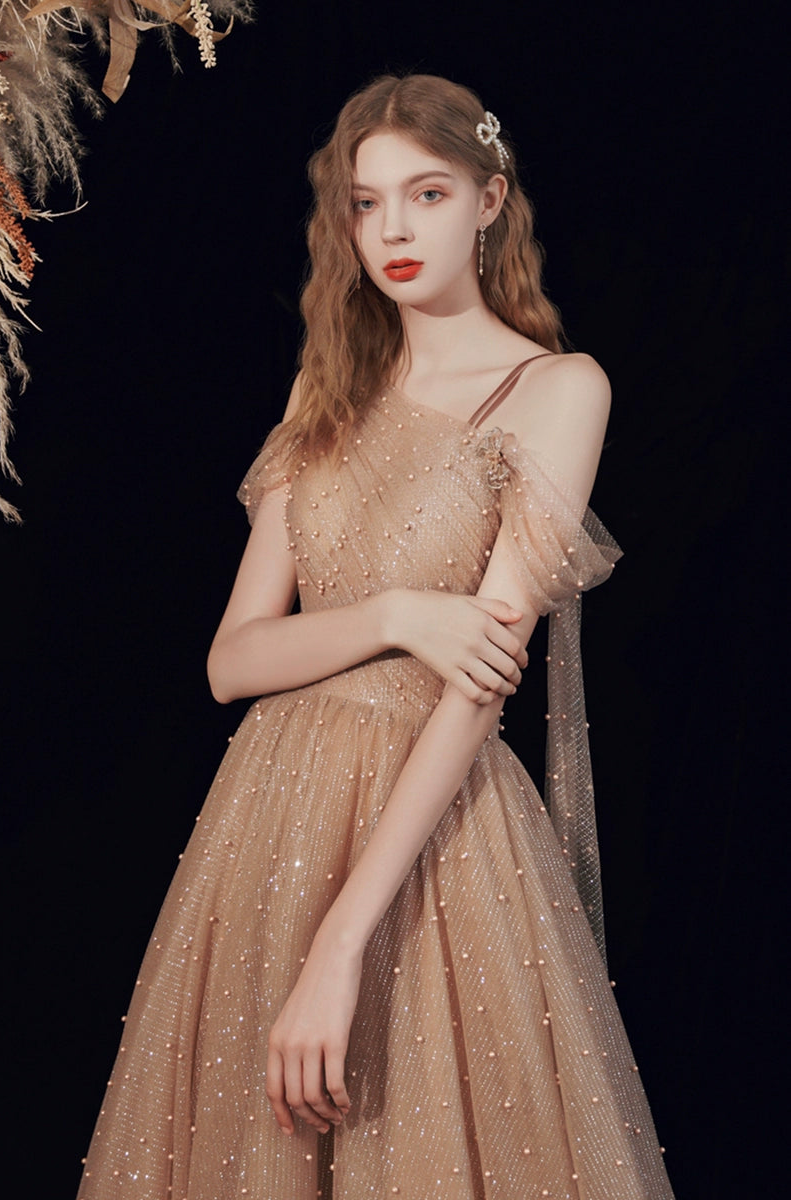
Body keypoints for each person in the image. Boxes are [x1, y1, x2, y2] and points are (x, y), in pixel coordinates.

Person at [77, 74, 674, 1199]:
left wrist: (342, 942)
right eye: (367, 203)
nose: (393, 229)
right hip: (267, 827)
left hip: (433, 840)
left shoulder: (555, 389)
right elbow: (233, 662)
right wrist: (397, 615)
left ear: (490, 202)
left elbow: (480, 686)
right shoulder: (326, 391)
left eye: (427, 194)